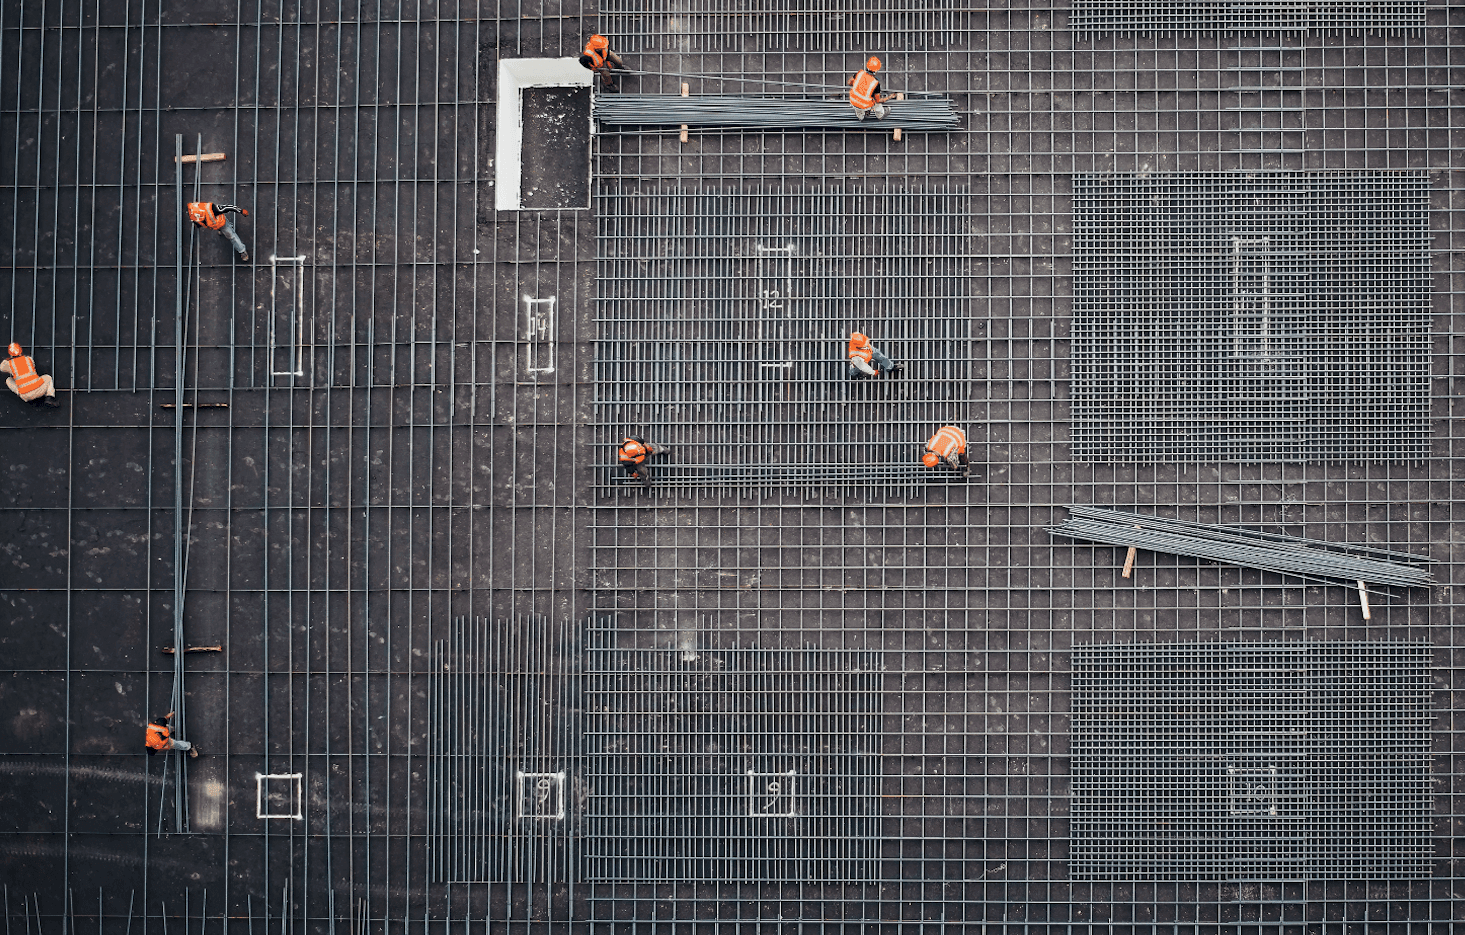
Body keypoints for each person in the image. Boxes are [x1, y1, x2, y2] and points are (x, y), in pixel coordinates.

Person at [2, 342, 58, 407]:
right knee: (48, 378)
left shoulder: (9, 364)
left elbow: (1, 368)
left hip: (25, 395)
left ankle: (20, 393)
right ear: (21, 350)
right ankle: (49, 397)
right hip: (38, 390)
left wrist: (7, 360)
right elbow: (33, 365)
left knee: (8, 380)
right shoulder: (29, 359)